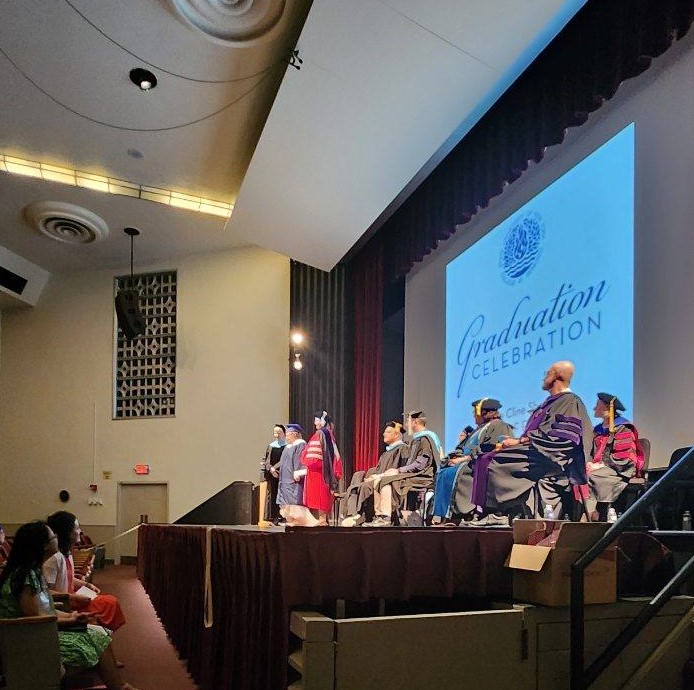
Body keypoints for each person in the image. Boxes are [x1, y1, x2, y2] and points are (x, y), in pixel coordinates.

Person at [0, 521, 139, 690]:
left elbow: (46, 610)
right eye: (53, 537)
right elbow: (36, 621)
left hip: (38, 635)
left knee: (99, 634)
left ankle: (119, 686)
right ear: (43, 546)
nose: (56, 539)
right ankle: (119, 687)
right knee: (97, 638)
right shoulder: (25, 576)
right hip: (28, 643)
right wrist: (71, 620)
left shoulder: (31, 571)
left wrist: (72, 616)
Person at [481, 361, 593, 522]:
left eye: (547, 373)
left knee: (497, 462)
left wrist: (519, 442)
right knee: (487, 458)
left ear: (556, 375)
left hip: (552, 458)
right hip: (539, 452)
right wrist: (517, 441)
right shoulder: (551, 403)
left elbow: (561, 438)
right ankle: (498, 513)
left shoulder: (569, 401)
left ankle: (501, 514)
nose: (544, 378)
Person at [431, 399, 513, 525]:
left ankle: (457, 514)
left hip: (480, 464)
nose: (474, 416)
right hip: (468, 460)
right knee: (444, 471)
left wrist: (463, 459)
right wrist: (455, 456)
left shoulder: (498, 425)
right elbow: (463, 448)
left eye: (476, 413)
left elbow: (489, 448)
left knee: (454, 472)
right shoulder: (479, 429)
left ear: (484, 413)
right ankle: (445, 515)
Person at [44, 511, 126, 631]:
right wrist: (73, 597)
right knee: (110, 603)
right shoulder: (54, 558)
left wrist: (87, 584)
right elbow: (46, 591)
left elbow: (69, 577)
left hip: (71, 598)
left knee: (110, 602)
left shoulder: (67, 553)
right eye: (77, 528)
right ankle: (101, 632)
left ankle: (103, 632)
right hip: (63, 605)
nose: (80, 531)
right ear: (67, 532)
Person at [368, 410, 443, 526]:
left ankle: (385, 518)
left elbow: (420, 464)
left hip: (424, 476)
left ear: (415, 422)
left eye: (408, 421)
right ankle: (379, 516)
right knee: (382, 479)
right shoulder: (417, 439)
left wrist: (399, 470)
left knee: (386, 481)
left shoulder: (425, 439)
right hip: (415, 473)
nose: (407, 425)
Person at [585, 392, 643, 521]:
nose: (594, 408)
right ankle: (586, 514)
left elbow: (623, 458)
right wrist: (589, 463)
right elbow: (591, 452)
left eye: (597, 405)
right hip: (600, 468)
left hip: (619, 469)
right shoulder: (598, 429)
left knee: (592, 476)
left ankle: (592, 514)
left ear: (607, 408)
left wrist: (601, 465)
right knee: (580, 474)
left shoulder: (623, 428)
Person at [340, 421, 409, 526]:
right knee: (357, 486)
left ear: (397, 435)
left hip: (391, 481)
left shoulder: (403, 449)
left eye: (388, 432)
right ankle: (355, 515)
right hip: (380, 479)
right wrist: (374, 475)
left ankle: (361, 516)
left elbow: (401, 469)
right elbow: (378, 469)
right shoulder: (386, 452)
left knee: (367, 486)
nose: (384, 434)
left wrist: (380, 476)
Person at [301, 411, 343, 526]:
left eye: (317, 420)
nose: (315, 423)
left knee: (320, 494)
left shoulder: (322, 433)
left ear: (322, 421)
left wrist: (312, 463)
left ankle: (322, 519)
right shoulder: (325, 433)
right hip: (317, 470)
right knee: (318, 494)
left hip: (320, 471)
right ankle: (321, 519)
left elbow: (317, 456)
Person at [275, 424, 315, 526]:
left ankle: (298, 521)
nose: (286, 437)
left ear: (295, 435)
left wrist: (298, 473)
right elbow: (283, 462)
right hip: (285, 480)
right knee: (286, 500)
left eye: (288, 435)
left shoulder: (300, 445)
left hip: (294, 479)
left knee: (294, 499)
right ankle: (291, 520)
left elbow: (299, 461)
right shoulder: (288, 447)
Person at [261, 424, 286, 523]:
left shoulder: (287, 446)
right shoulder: (271, 446)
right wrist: (271, 469)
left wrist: (276, 469)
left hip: (283, 474)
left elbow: (285, 460)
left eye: (279, 433)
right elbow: (267, 460)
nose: (277, 435)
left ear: (284, 433)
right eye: (275, 433)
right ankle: (274, 516)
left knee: (283, 495)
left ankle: (283, 516)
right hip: (272, 475)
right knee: (273, 495)